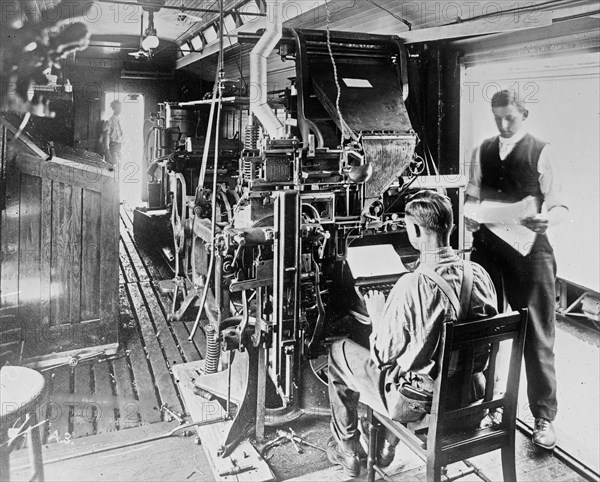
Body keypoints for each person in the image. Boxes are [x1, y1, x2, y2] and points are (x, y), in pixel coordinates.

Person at [327, 190, 498, 477]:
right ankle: (384, 448)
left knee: (339, 352)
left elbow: (382, 355)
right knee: (417, 361)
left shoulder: (411, 285)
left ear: (415, 231)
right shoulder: (479, 273)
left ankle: (348, 449)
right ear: (451, 227)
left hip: (422, 405)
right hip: (472, 400)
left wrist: (379, 315)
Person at [465, 89, 568, 450]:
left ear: (524, 113)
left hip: (530, 248)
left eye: (509, 117)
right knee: (484, 327)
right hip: (490, 248)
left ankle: (543, 417)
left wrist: (546, 219)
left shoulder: (543, 150)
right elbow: (472, 197)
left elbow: (559, 205)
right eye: (497, 117)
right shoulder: (483, 149)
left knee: (538, 332)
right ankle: (486, 405)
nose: (503, 124)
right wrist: (470, 216)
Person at [103, 99, 123, 166]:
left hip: (119, 147)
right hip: (113, 147)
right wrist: (107, 151)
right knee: (112, 166)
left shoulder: (118, 119)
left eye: (120, 107)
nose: (120, 109)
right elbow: (106, 137)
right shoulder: (110, 121)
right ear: (114, 108)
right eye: (118, 108)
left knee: (118, 165)